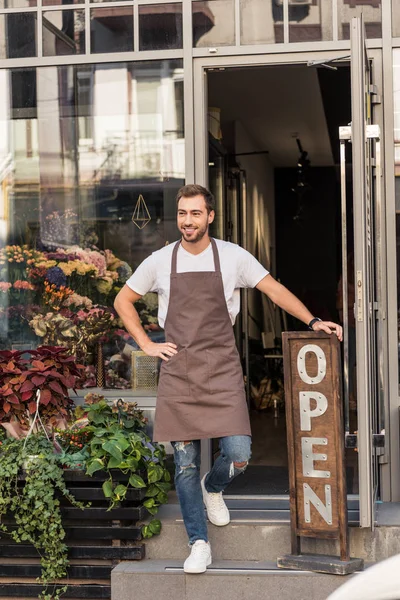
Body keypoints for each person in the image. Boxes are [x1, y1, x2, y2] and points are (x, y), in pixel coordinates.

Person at [114, 184, 343, 575]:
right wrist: (146, 345)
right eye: (183, 214)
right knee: (184, 463)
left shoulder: (234, 256)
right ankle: (198, 542)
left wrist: (313, 321)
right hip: (179, 368)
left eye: (195, 214)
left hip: (221, 366)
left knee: (239, 453)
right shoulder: (159, 261)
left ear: (210, 216)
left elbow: (274, 291)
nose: (188, 221)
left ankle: (214, 486)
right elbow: (123, 300)